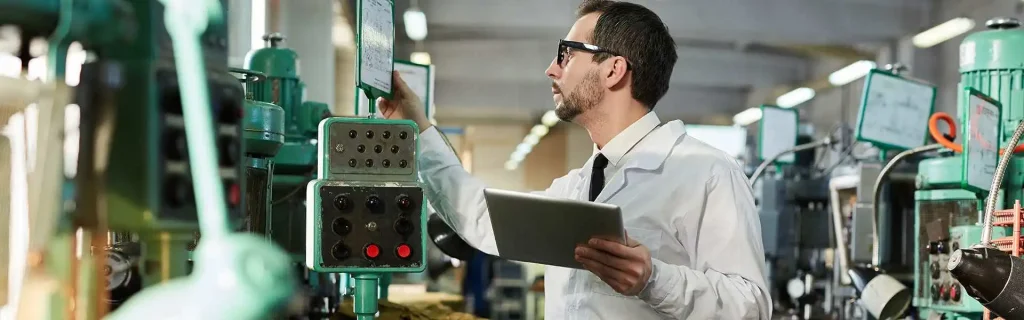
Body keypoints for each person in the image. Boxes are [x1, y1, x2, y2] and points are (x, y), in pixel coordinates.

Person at [378, 1, 771, 318]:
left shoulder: (706, 172)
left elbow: (751, 305)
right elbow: (483, 218)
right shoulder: (576, 186)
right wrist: (419, 129)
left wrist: (654, 280)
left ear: (614, 69)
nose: (551, 69)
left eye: (566, 55)